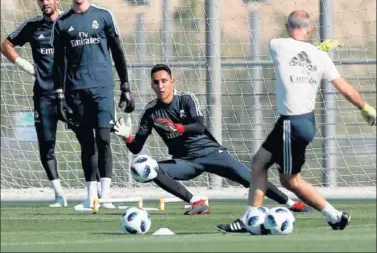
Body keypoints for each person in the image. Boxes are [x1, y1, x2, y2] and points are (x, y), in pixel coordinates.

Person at [217, 10, 376, 233]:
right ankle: (249, 217)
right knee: (259, 162)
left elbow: (292, 51)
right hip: (299, 122)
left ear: (286, 26)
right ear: (310, 29)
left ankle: (335, 216)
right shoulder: (320, 57)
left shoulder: (277, 44)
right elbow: (345, 88)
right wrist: (366, 108)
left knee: (290, 181)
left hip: (292, 124)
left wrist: (315, 49)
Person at [113, 63, 310, 217]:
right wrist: (127, 136)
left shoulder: (186, 99)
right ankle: (197, 202)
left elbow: (199, 126)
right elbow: (136, 148)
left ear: (173, 81)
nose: (160, 85)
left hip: (211, 153)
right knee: (151, 169)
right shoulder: (150, 112)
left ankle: (290, 203)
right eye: (156, 82)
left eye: (164, 80)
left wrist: (178, 127)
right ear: (152, 85)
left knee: (250, 178)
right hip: (186, 161)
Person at [52, 0, 135, 209]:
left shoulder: (104, 16)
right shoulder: (62, 23)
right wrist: (60, 97)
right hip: (76, 91)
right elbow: (58, 64)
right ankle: (90, 197)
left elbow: (118, 53)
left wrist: (125, 86)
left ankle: (105, 194)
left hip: (102, 88)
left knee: (104, 139)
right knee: (87, 143)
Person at [1, 0, 69, 207]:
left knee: (89, 139)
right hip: (44, 95)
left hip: (71, 94)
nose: (45, 2)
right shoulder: (32, 26)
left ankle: (95, 191)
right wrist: (25, 65)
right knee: (46, 145)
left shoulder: (70, 23)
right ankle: (59, 194)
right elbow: (6, 45)